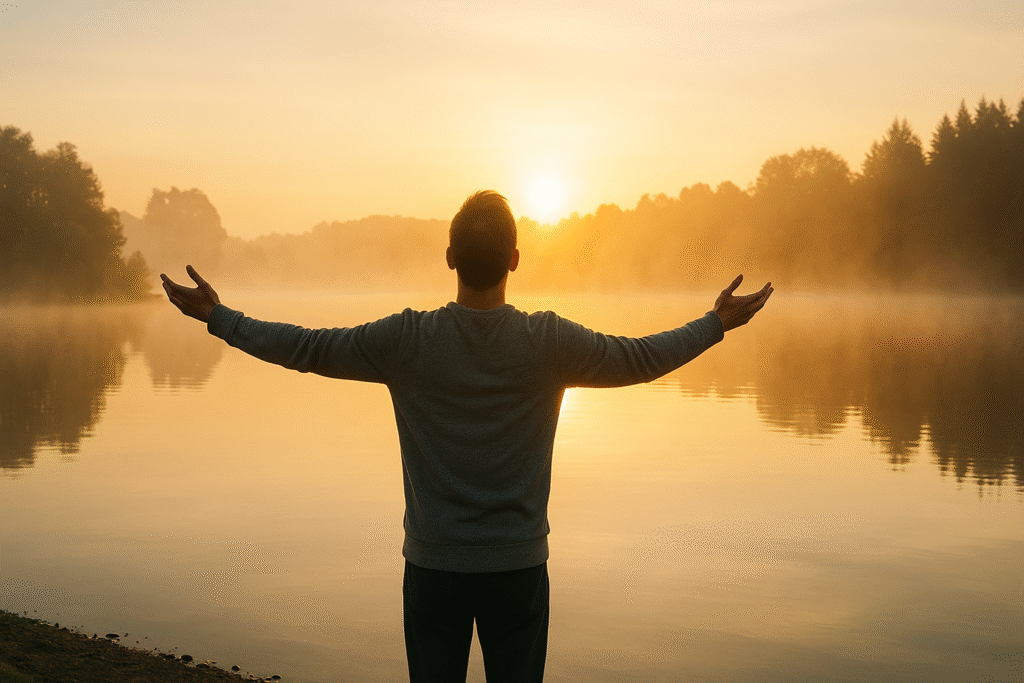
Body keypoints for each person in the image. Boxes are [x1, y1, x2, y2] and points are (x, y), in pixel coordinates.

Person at [161, 190, 772, 683]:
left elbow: (307, 347)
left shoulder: (407, 339)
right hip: (518, 569)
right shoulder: (548, 341)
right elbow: (641, 358)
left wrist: (219, 317)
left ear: (449, 257)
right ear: (513, 259)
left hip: (434, 570)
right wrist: (716, 323)